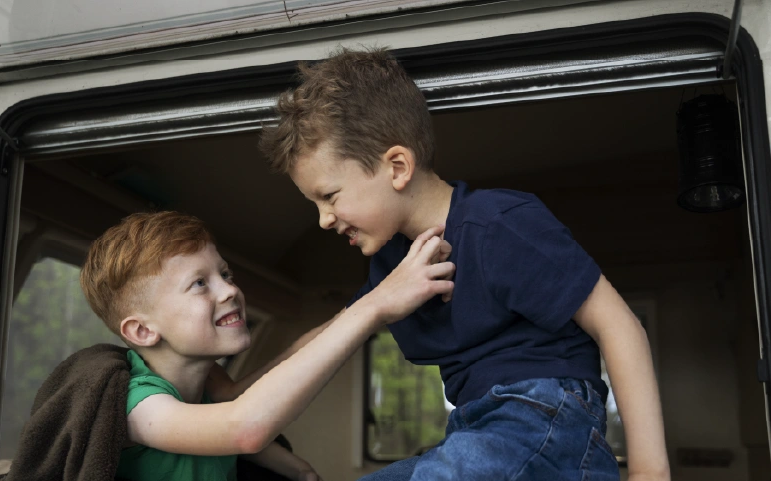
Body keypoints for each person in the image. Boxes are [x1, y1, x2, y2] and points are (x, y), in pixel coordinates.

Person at [259, 47, 669, 481]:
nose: (323, 219)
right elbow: (334, 332)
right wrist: (235, 390)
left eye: (330, 196)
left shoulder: (499, 224)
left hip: (546, 412)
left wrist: (649, 472)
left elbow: (619, 324)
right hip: (474, 425)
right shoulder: (393, 261)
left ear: (397, 167)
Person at [79, 210, 454, 481]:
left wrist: (370, 301)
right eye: (199, 283)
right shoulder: (137, 404)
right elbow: (242, 428)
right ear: (143, 331)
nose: (230, 289)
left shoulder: (208, 382)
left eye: (224, 274)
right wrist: (375, 307)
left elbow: (250, 390)